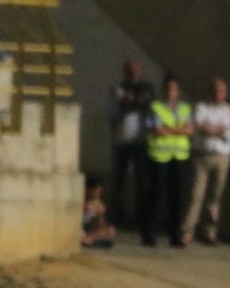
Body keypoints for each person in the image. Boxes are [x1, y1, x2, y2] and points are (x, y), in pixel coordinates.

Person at [182, 76, 230, 246]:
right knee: (195, 195)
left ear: (226, 93)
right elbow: (198, 127)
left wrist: (212, 129)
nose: (218, 94)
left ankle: (210, 232)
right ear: (210, 91)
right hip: (201, 157)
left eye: (221, 91)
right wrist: (220, 130)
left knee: (215, 197)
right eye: (215, 90)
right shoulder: (201, 107)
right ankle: (187, 232)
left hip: (222, 158)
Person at [144, 73, 193, 248]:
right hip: (159, 157)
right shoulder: (156, 107)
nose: (171, 92)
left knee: (177, 198)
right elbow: (157, 130)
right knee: (155, 196)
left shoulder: (184, 108)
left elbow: (190, 130)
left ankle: (175, 235)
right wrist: (178, 129)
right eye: (168, 88)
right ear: (164, 90)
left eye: (174, 89)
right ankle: (149, 233)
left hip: (179, 158)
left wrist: (169, 129)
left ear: (178, 91)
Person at [107, 60, 152, 226]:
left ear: (139, 71)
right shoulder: (118, 87)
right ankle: (118, 216)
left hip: (140, 141)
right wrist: (125, 99)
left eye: (135, 70)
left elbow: (144, 101)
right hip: (120, 141)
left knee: (142, 181)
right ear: (124, 72)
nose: (132, 74)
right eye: (129, 71)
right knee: (118, 180)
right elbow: (114, 112)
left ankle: (140, 217)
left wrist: (126, 98)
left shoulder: (146, 87)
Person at [81, 174, 115, 248]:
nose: (98, 194)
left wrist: (100, 214)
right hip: (77, 229)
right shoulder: (82, 201)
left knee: (111, 230)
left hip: (88, 232)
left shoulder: (98, 205)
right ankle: (88, 240)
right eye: (96, 191)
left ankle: (90, 239)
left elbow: (102, 225)